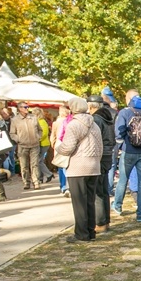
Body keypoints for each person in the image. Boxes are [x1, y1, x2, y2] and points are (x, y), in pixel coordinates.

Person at [54, 97, 103, 243]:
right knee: (90, 201)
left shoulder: (73, 125)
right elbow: (100, 147)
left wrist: (58, 148)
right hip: (94, 166)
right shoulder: (95, 125)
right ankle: (90, 231)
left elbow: (68, 147)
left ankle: (81, 234)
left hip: (78, 166)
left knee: (79, 202)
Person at [112, 89, 141, 222]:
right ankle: (140, 213)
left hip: (129, 151)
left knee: (123, 179)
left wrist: (121, 146)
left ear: (128, 100)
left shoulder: (125, 112)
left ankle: (117, 206)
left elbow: (118, 131)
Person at [87, 95, 116, 232]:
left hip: (100, 155)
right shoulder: (108, 117)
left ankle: (100, 222)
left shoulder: (96, 119)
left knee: (98, 192)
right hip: (108, 154)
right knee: (103, 190)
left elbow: (94, 140)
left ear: (92, 106)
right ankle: (105, 221)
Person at [9, 101, 43, 190]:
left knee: (34, 164)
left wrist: (38, 137)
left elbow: (40, 130)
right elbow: (12, 133)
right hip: (22, 146)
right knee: (24, 166)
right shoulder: (15, 120)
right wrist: (18, 139)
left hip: (35, 145)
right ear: (19, 108)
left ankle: (36, 182)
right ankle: (26, 182)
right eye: (25, 107)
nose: (27, 108)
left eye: (27, 107)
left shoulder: (33, 118)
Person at [50, 106, 72, 197]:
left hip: (59, 145)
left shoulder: (56, 123)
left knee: (61, 166)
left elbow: (54, 136)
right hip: (69, 144)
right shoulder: (72, 120)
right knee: (68, 166)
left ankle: (63, 186)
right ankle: (68, 186)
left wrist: (53, 145)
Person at [34, 108, 54, 183]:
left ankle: (48, 174)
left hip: (43, 144)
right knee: (40, 161)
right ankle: (40, 177)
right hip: (42, 143)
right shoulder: (39, 121)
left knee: (38, 161)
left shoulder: (41, 122)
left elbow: (44, 133)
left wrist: (37, 139)